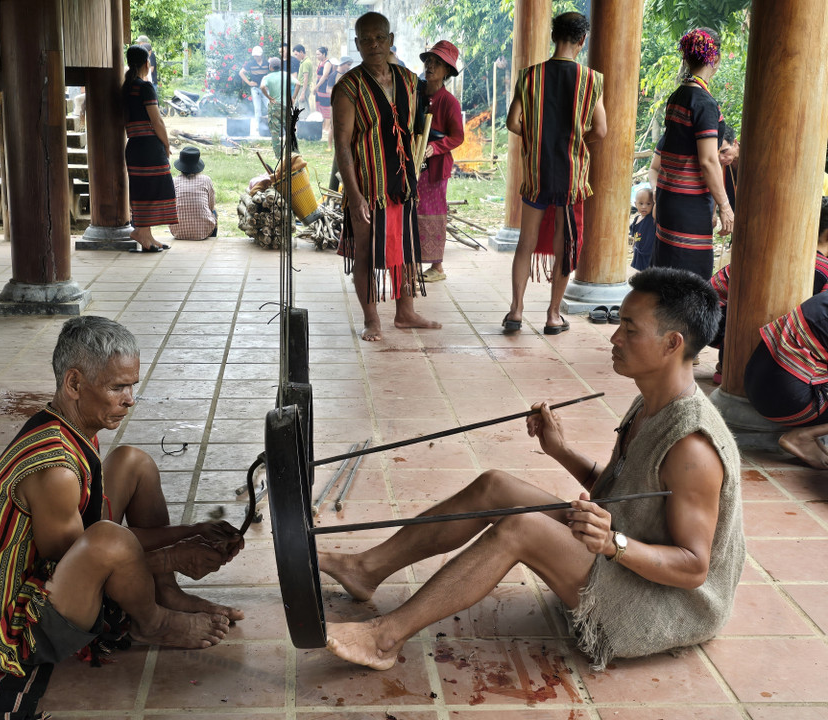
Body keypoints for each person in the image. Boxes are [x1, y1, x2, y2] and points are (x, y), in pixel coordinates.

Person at [322, 266, 744, 672]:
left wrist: (613, 542)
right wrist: (560, 450)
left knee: (520, 528)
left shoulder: (692, 447)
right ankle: (366, 570)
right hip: (624, 555)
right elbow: (626, 491)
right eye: (620, 323)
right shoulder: (651, 402)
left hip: (661, 603)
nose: (615, 337)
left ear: (672, 344)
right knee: (495, 486)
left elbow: (693, 568)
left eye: (630, 329)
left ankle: (384, 638)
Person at [0, 316, 245, 719]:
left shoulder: (67, 424)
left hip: (58, 570)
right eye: (117, 387)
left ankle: (164, 592)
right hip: (12, 621)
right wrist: (173, 554)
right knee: (109, 539)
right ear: (74, 383)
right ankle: (151, 622)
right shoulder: (55, 472)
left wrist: (192, 532)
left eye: (132, 385)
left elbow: (92, 545)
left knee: (133, 462)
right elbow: (83, 562)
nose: (130, 399)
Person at [332, 11, 442, 342]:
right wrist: (354, 196)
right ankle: (371, 320)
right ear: (357, 44)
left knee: (405, 250)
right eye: (366, 39)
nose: (374, 45)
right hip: (368, 186)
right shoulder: (348, 87)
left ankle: (405, 313)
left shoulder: (408, 80)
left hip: (402, 184)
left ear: (390, 40)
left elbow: (415, 128)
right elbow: (342, 146)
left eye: (379, 38)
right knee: (365, 254)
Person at [502, 12, 606, 336]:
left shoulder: (530, 76)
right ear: (582, 40)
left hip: (538, 171)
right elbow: (601, 130)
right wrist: (575, 139)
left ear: (553, 36)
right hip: (570, 176)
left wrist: (537, 137)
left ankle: (516, 311)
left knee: (526, 242)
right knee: (566, 244)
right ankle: (552, 315)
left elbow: (513, 122)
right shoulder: (591, 79)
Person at [710, 197, 828, 384]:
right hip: (725, 325)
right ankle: (736, 370)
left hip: (709, 320)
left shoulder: (777, 250)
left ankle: (727, 365)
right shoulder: (821, 269)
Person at [651, 29, 732, 280]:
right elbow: (708, 161)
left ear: (686, 57)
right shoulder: (704, 102)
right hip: (689, 205)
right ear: (715, 59)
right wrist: (724, 206)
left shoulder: (678, 95)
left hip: (668, 198)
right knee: (689, 280)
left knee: (667, 275)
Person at [416, 41, 465, 283]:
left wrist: (435, 147)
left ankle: (437, 267)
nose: (430, 66)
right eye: (428, 61)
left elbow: (458, 137)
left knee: (432, 212)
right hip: (413, 161)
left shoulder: (449, 102)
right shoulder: (416, 95)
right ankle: (412, 259)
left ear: (447, 70)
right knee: (413, 210)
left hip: (435, 167)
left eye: (437, 63)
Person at [122, 44, 174, 252]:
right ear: (146, 63)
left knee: (143, 189)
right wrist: (167, 144)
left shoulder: (127, 88)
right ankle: (141, 232)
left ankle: (147, 234)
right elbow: (157, 121)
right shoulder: (145, 87)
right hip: (149, 147)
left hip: (134, 146)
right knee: (156, 187)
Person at [169, 147, 217, 241]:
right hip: (203, 233)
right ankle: (211, 240)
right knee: (214, 212)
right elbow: (211, 206)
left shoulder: (174, 181)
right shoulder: (206, 180)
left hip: (177, 232)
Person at [260, 57, 287, 159]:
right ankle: (291, 153)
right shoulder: (285, 75)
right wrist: (293, 97)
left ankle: (278, 155)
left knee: (275, 132)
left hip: (275, 106)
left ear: (270, 67)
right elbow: (297, 83)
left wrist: (268, 97)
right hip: (286, 106)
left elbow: (262, 87)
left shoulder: (267, 77)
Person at [630, 188, 656, 271]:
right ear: (635, 204)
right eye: (641, 203)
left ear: (653, 204)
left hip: (648, 255)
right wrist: (633, 245)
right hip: (637, 253)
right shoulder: (636, 219)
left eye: (648, 204)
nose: (644, 207)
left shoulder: (652, 218)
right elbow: (634, 236)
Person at [239, 46, 269, 120]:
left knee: (269, 107)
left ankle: (272, 124)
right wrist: (249, 83)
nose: (255, 57)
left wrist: (269, 84)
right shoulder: (251, 63)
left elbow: (272, 73)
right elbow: (241, 72)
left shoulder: (267, 63)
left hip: (265, 88)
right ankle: (259, 125)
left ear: (261, 55)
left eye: (257, 56)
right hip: (255, 89)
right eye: (254, 56)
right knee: (257, 109)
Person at [314, 47, 335, 148]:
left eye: (318, 54)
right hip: (319, 88)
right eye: (316, 54)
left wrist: (316, 86)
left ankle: (326, 128)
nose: (317, 56)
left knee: (326, 107)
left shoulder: (327, 63)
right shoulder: (320, 62)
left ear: (323, 54)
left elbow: (325, 75)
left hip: (324, 87)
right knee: (320, 107)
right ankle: (323, 127)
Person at [292, 44, 314, 112]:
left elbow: (305, 78)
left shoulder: (306, 63)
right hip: (300, 88)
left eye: (296, 54)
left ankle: (305, 119)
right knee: (297, 106)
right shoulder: (303, 62)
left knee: (303, 108)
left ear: (301, 52)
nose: (296, 57)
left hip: (303, 88)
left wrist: (303, 93)